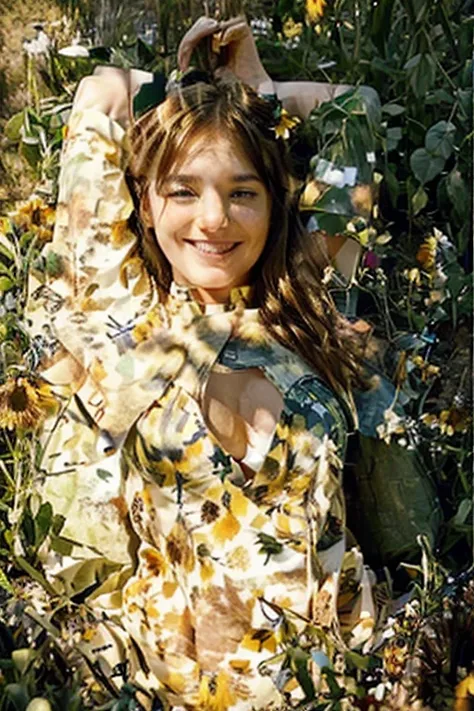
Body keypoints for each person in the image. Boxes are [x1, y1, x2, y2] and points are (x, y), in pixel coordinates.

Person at [26, 16, 379, 711]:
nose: (214, 218)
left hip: (345, 688)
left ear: (273, 205)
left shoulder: (311, 300)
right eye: (184, 190)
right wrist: (180, 92)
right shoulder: (120, 314)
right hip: (166, 695)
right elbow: (100, 93)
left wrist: (260, 91)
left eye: (242, 191)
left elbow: (355, 106)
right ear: (147, 201)